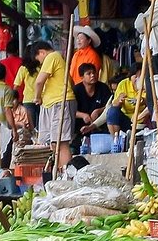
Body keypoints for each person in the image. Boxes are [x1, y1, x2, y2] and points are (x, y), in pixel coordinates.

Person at [33, 41, 77, 169]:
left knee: (61, 143)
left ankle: (65, 175)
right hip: (53, 103)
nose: (40, 63)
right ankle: (59, 172)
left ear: (42, 52)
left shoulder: (52, 57)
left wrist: (37, 97)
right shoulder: (58, 59)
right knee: (54, 143)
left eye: (39, 60)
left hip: (60, 102)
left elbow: (39, 82)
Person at [106, 62, 149, 136]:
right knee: (112, 112)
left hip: (142, 120)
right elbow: (114, 104)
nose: (137, 79)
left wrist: (141, 101)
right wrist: (119, 100)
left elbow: (150, 102)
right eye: (135, 76)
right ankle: (115, 140)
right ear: (130, 77)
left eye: (140, 76)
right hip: (126, 119)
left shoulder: (147, 84)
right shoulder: (123, 84)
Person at [0, 63, 18, 169]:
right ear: (5, 75)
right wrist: (14, 129)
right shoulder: (7, 90)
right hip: (4, 128)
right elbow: (7, 110)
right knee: (4, 158)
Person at [73, 63, 112, 139]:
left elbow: (109, 105)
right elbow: (70, 110)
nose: (93, 75)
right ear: (82, 77)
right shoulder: (76, 90)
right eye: (89, 74)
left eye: (94, 72)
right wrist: (83, 115)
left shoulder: (103, 88)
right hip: (80, 128)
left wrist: (98, 111)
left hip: (101, 126)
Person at [13, 48, 41, 129]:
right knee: (41, 126)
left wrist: (15, 99)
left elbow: (16, 86)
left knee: (30, 126)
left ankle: (32, 140)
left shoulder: (23, 69)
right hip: (40, 99)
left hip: (28, 100)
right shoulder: (40, 68)